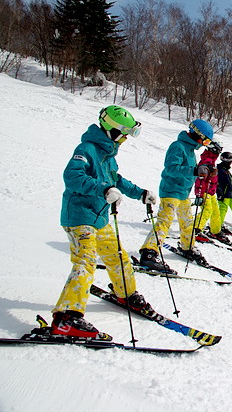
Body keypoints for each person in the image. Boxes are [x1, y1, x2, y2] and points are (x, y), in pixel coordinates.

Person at [52, 105, 158, 340]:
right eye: (124, 134)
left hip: (99, 217)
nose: (126, 139)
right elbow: (72, 177)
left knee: (118, 257)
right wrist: (103, 189)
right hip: (79, 217)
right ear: (112, 130)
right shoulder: (86, 149)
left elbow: (115, 179)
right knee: (86, 261)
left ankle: (125, 294)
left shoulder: (108, 154)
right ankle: (66, 317)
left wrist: (140, 193)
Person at [139, 119, 215, 268]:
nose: (203, 145)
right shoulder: (178, 147)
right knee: (164, 221)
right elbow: (171, 168)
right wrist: (194, 170)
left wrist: (205, 170)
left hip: (183, 194)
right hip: (171, 191)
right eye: (204, 141)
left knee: (188, 222)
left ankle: (187, 246)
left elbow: (190, 170)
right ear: (197, 135)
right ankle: (149, 252)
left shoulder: (190, 150)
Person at [192, 141, 232, 245]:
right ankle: (194, 230)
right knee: (207, 211)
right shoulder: (206, 161)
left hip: (211, 192)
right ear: (214, 150)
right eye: (219, 150)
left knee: (216, 212)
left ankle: (215, 231)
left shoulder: (211, 160)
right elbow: (200, 180)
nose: (220, 152)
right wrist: (199, 195)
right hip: (204, 192)